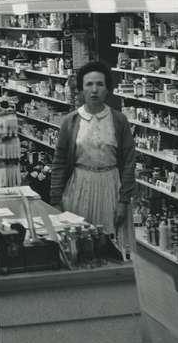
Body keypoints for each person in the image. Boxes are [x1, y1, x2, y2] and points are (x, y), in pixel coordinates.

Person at [50, 60, 135, 247]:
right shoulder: (69, 121)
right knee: (78, 244)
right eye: (89, 84)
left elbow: (129, 162)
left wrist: (124, 201)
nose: (94, 90)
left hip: (111, 187)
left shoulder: (119, 120)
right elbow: (59, 162)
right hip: (78, 188)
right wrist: (56, 200)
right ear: (81, 89)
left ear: (107, 89)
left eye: (100, 84)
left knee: (112, 246)